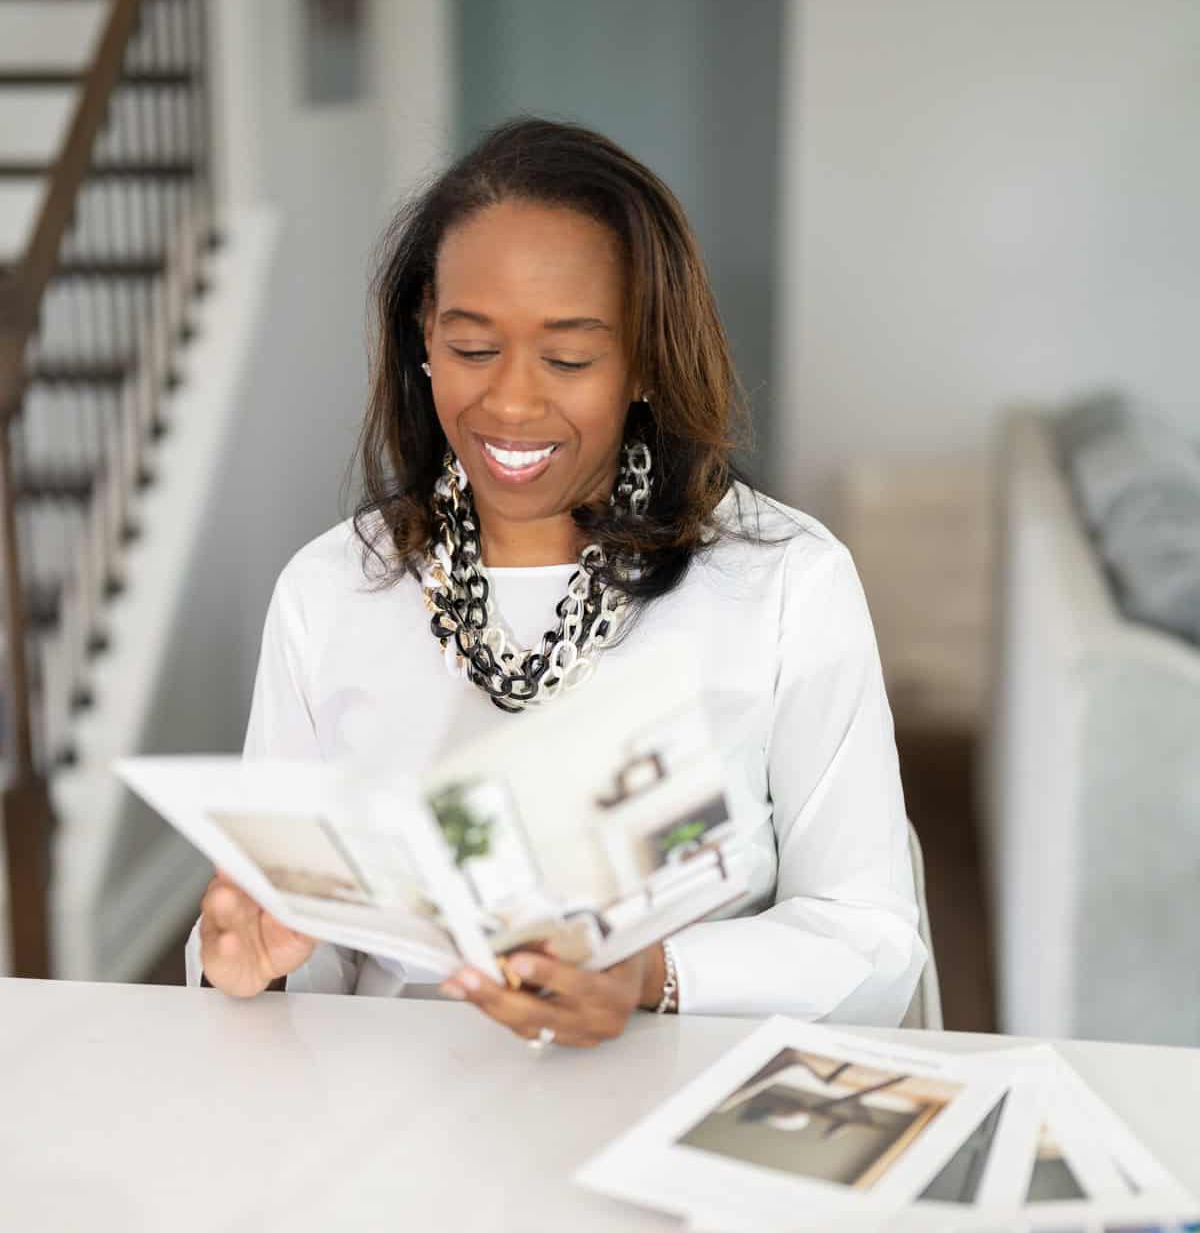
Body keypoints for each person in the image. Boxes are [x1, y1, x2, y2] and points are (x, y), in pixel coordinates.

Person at [191, 117, 926, 1045]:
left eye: (570, 358)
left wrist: (655, 977)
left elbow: (872, 942)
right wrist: (249, 959)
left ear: (647, 360)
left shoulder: (785, 583)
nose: (511, 403)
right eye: (471, 348)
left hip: (679, 1109)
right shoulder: (330, 591)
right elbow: (310, 954)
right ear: (424, 337)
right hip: (398, 1131)